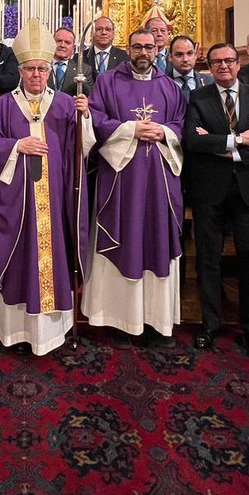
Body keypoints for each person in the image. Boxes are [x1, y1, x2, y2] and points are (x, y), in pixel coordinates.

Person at [0, 20, 94, 355]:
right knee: (16, 259)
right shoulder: (2, 105)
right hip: (14, 204)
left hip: (54, 199)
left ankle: (51, 332)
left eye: (42, 69)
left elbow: (83, 148)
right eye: (30, 69)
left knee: (54, 258)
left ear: (50, 70)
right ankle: (13, 329)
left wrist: (84, 117)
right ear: (19, 70)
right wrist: (16, 147)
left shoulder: (64, 104)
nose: (36, 75)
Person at [84, 28, 185, 338]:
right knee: (123, 234)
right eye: (138, 47)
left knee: (157, 237)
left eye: (149, 48)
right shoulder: (107, 81)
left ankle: (157, 321)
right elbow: (95, 118)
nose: (144, 53)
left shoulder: (170, 86)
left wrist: (164, 133)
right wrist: (131, 129)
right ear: (127, 48)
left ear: (158, 50)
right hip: (121, 180)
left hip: (159, 181)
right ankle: (117, 319)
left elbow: (180, 124)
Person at [182, 41, 249, 363]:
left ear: (239, 64)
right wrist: (238, 140)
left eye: (229, 61)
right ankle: (210, 324)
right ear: (208, 67)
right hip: (209, 191)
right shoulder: (198, 97)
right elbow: (193, 141)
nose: (223, 66)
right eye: (216, 62)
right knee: (208, 258)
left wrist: (222, 148)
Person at [165, 35, 212, 102]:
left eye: (190, 53)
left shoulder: (209, 81)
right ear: (170, 57)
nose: (185, 59)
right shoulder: (161, 83)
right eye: (179, 55)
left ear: (195, 55)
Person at [46, 27, 92, 94]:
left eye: (67, 42)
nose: (62, 45)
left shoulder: (84, 70)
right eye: (59, 41)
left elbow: (88, 97)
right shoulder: (40, 67)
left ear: (73, 48)